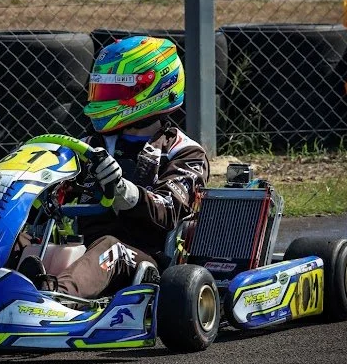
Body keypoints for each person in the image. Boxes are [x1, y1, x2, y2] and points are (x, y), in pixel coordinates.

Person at [18, 35, 210, 299]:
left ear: (152, 90)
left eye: (114, 92)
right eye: (101, 90)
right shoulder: (87, 145)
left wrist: (122, 190)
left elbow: (169, 210)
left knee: (110, 249)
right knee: (15, 238)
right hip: (81, 246)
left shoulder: (184, 152)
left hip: (142, 256)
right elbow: (54, 196)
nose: (103, 99)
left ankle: (53, 297)